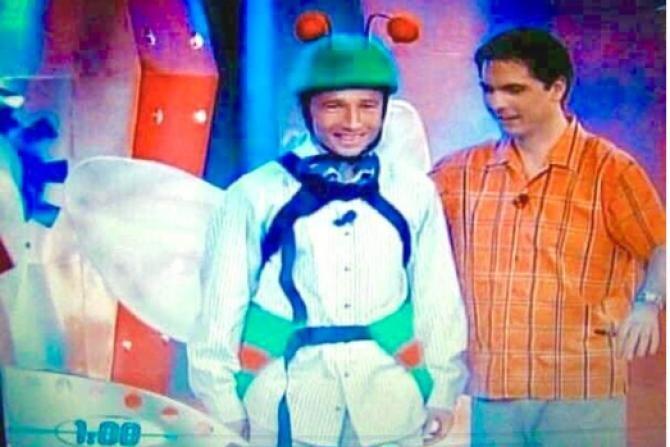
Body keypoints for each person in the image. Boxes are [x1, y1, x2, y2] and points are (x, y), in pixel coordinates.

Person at [188, 14, 467, 447]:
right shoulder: (254, 195)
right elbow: (221, 306)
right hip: (286, 403)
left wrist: (443, 390)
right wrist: (224, 404)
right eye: (334, 105)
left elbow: (437, 295)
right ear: (308, 108)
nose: (353, 122)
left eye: (368, 106)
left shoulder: (413, 192)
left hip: (390, 404)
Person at [430, 27, 665, 446]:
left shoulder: (610, 169)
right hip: (495, 385)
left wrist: (649, 303)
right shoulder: (458, 172)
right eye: (489, 89)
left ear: (556, 88)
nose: (497, 103)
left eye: (514, 89)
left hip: (581, 385)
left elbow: (661, 245)